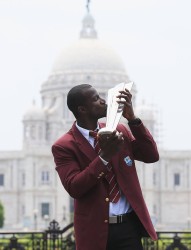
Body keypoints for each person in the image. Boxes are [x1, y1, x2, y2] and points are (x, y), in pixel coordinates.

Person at [52, 84, 159, 250]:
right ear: (82, 109)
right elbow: (75, 187)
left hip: (128, 227)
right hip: (94, 232)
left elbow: (151, 155)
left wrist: (132, 119)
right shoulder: (64, 146)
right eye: (95, 98)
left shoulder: (119, 131)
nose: (103, 101)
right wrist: (105, 156)